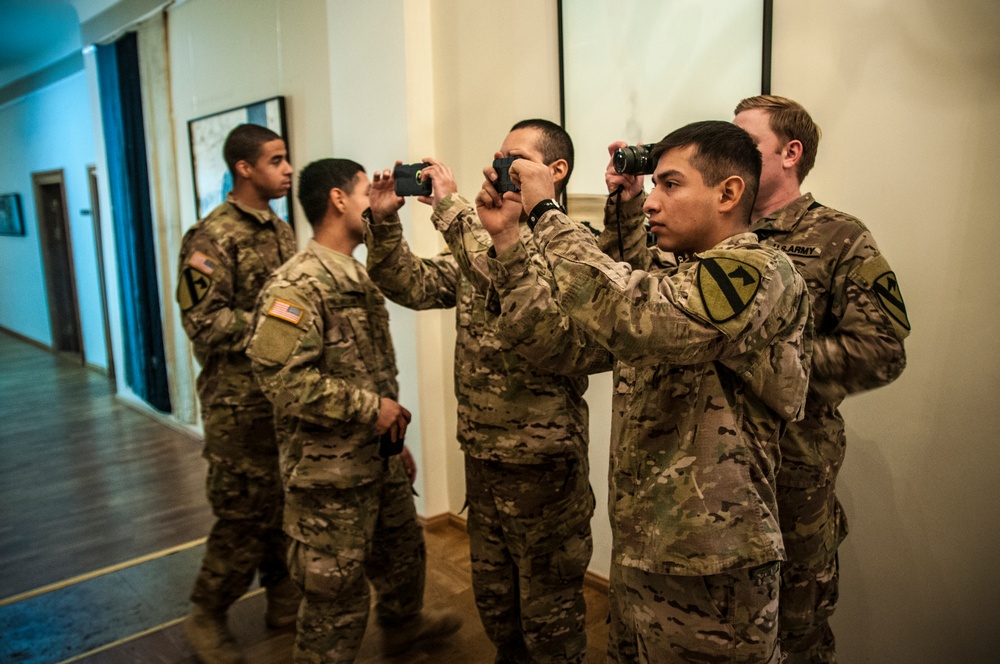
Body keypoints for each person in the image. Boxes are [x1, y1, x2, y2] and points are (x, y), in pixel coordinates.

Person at [479, 120, 812, 663]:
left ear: (728, 192)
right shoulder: (675, 276)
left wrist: (545, 214)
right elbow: (559, 347)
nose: (652, 203)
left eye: (670, 185)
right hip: (643, 552)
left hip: (714, 568)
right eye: (652, 185)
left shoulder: (759, 269)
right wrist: (510, 241)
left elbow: (638, 316)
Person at [364, 119, 596, 663]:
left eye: (513, 157)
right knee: (496, 606)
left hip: (543, 465)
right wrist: (382, 225)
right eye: (497, 155)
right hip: (485, 456)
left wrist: (452, 210)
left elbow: (516, 288)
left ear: (554, 171)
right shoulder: (485, 240)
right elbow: (413, 284)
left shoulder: (573, 244)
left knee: (550, 619)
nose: (496, 167)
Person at [245, 158, 461, 663]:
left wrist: (393, 443)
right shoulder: (295, 285)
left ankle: (404, 631)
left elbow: (365, 371)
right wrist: (370, 411)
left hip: (376, 461)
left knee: (403, 558)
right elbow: (279, 379)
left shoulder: (357, 275)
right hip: (329, 476)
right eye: (368, 192)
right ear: (338, 200)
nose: (378, 201)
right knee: (334, 597)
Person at [733, 95, 909, 663]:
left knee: (797, 629)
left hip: (794, 475)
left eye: (747, 145)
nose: (730, 156)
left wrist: (770, 358)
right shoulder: (719, 231)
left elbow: (882, 350)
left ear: (791, 153)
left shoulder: (839, 236)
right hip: (719, 480)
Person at [175, 123, 299, 664]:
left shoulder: (281, 229)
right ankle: (207, 612)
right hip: (236, 402)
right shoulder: (210, 238)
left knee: (280, 501)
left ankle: (282, 596)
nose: (288, 168)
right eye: (276, 160)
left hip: (281, 396)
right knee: (243, 512)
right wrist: (276, 325)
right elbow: (201, 320)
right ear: (244, 168)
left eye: (287, 158)